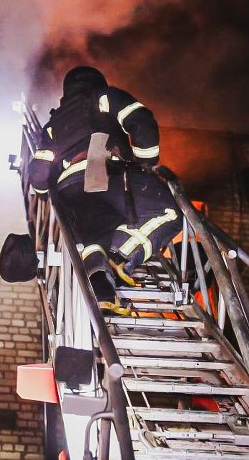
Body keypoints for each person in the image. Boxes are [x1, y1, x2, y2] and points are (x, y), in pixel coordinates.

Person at [28, 66, 183, 314]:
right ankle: (118, 256)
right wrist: (146, 162)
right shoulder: (104, 98)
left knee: (95, 231)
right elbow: (142, 122)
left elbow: (37, 175)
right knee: (169, 213)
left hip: (68, 190)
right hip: (102, 169)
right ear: (97, 82)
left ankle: (101, 287)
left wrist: (46, 191)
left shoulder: (53, 123)